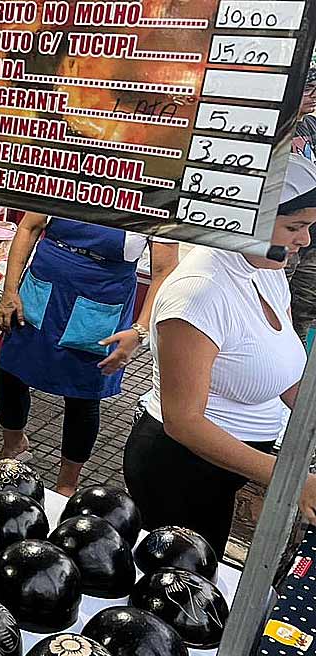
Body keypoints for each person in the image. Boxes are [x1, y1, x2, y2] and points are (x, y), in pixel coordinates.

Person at [124, 154, 316, 558]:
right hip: (180, 471)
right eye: (295, 227)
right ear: (249, 220)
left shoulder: (264, 269)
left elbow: (286, 375)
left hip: (226, 470)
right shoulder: (199, 294)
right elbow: (184, 422)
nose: (305, 241)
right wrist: (289, 480)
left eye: (309, 228)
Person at [0, 214, 179, 496]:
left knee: (83, 395)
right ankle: (13, 445)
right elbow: (29, 227)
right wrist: (10, 290)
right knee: (11, 371)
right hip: (44, 283)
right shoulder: (67, 173)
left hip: (102, 298)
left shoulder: (157, 199)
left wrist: (140, 330)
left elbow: (164, 272)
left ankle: (67, 483)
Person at [288, 69, 316, 339]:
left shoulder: (311, 126)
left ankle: (297, 372)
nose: (313, 97)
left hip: (311, 238)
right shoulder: (275, 125)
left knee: (304, 311)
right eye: (308, 88)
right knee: (274, 302)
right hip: (280, 236)